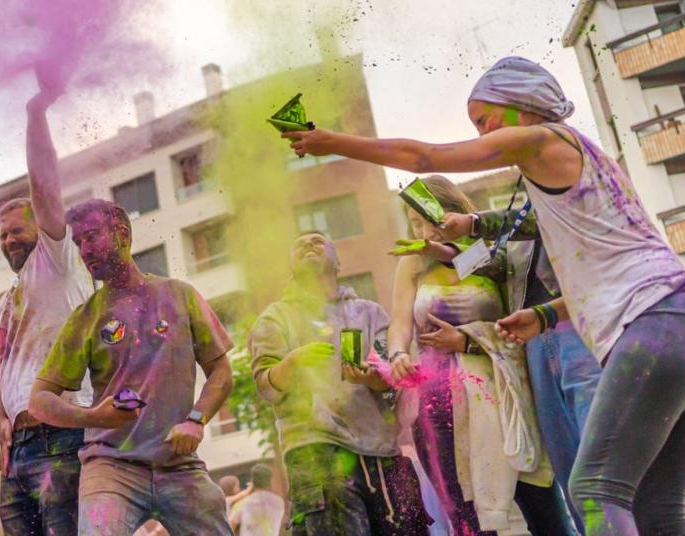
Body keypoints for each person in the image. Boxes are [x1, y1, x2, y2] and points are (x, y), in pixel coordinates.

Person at [281, 55, 685, 535]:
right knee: (657, 507)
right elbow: (610, 269)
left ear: (521, 103)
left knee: (594, 488)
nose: (481, 135)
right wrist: (545, 315)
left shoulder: (542, 139)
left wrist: (330, 141)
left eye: (484, 120)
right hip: (665, 321)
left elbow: (424, 158)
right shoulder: (580, 167)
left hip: (650, 327)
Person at [29, 199, 235, 536]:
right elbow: (39, 400)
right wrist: (95, 417)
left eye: (92, 237)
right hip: (110, 465)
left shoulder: (180, 296)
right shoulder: (85, 317)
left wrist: (196, 421)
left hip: (179, 465)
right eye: (78, 242)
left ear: (122, 235)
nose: (84, 250)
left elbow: (221, 372)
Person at [388, 176, 568, 535]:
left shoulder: (492, 254)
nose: (420, 229)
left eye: (424, 219)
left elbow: (513, 317)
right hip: (439, 401)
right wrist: (396, 354)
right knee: (466, 508)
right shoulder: (411, 265)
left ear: (447, 212)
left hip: (501, 389)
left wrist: (467, 341)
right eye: (413, 223)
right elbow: (399, 324)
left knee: (536, 499)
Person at [436, 201, 601, 533]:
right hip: (535, 344)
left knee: (598, 451)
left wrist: (472, 223)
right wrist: (443, 251)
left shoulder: (558, 188)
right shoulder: (521, 208)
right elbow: (500, 261)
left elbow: (536, 218)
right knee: (566, 460)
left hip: (576, 328)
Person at [250, 231, 430, 536]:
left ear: (338, 263)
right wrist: (292, 363)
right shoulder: (275, 318)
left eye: (318, 240)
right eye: (299, 244)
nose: (308, 243)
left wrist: (375, 379)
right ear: (291, 268)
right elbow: (265, 386)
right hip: (317, 453)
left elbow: (392, 383)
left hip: (383, 452)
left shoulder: (369, 313)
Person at [0, 68, 95, 536]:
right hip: (19, 451)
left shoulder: (57, 261)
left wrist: (35, 112)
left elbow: (45, 187)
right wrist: (0, 418)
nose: (9, 239)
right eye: (3, 234)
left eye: (17, 229)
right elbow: (7, 370)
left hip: (65, 438)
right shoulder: (5, 301)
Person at [228, 464, 286, 536]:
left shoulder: (242, 504)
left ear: (252, 481)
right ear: (270, 480)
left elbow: (229, 529)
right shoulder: (279, 502)